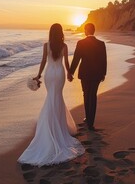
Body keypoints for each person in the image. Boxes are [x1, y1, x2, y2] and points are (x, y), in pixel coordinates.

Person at [18, 23, 84, 166]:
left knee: (51, 98)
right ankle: (58, 128)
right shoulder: (64, 46)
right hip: (59, 74)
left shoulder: (45, 45)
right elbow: (66, 62)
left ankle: (50, 128)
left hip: (49, 74)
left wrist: (39, 75)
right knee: (57, 98)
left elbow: (43, 61)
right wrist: (70, 74)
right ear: (60, 32)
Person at [68, 23, 107, 131]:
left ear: (86, 30)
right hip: (97, 74)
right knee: (93, 95)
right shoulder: (101, 43)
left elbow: (76, 59)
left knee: (86, 94)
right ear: (93, 31)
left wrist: (71, 72)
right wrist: (103, 73)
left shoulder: (81, 43)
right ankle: (91, 122)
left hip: (85, 73)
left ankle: (88, 118)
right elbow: (103, 60)